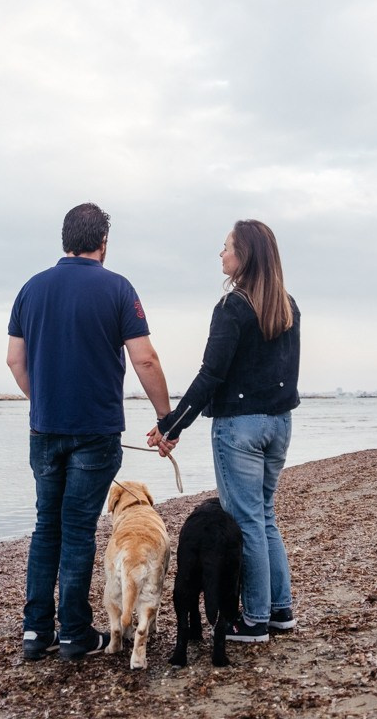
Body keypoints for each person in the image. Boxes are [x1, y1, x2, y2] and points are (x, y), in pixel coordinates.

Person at [7, 202, 174, 662]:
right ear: (104, 243)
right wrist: (166, 419)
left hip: (44, 430)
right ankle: (75, 633)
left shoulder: (31, 289)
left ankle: (36, 632)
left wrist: (41, 401)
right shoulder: (117, 288)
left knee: (47, 526)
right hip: (96, 432)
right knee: (78, 530)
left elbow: (15, 362)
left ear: (65, 240)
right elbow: (145, 359)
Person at [148, 219, 300, 642]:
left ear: (244, 255)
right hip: (279, 424)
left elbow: (211, 375)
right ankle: (279, 609)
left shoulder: (233, 307)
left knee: (248, 522)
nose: (221, 253)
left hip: (240, 429)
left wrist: (171, 426)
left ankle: (253, 620)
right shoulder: (288, 306)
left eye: (227, 247)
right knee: (264, 516)